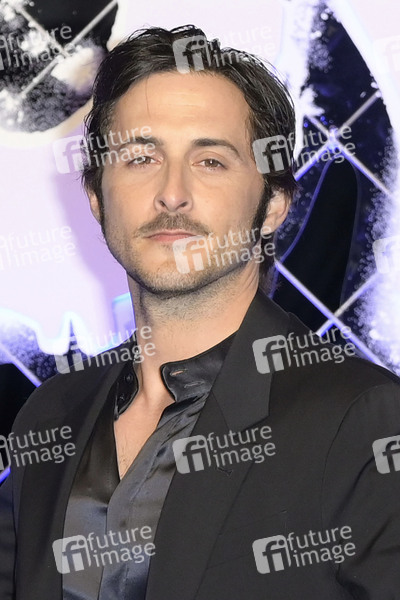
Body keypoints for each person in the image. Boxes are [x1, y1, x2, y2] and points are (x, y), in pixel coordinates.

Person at [1, 24, 400, 600]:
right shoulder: (51, 416)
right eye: (141, 157)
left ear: (273, 206)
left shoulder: (365, 419)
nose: (172, 192)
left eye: (210, 161)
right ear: (96, 198)